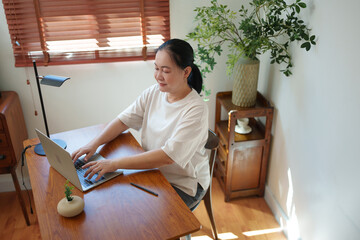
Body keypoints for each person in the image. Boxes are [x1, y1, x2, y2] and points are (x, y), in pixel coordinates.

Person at [71, 38, 209, 209]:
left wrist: (113, 164)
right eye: (156, 68)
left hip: (183, 184)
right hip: (153, 171)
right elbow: (123, 121)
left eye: (165, 70)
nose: (158, 76)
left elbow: (167, 157)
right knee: (112, 202)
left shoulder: (196, 110)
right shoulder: (154, 93)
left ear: (186, 72)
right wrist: (94, 144)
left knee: (140, 217)